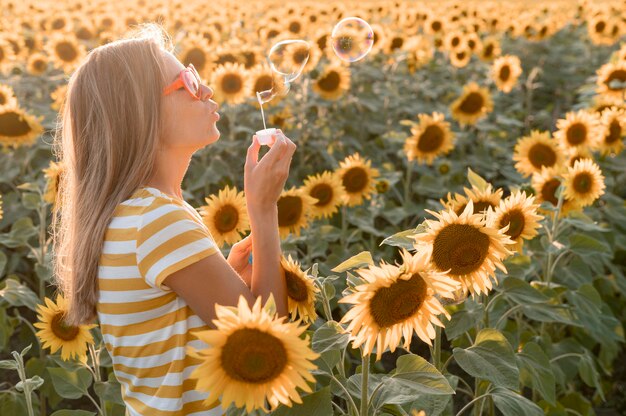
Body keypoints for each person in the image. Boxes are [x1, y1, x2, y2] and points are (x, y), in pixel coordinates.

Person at [50, 22, 296, 415]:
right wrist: (263, 210)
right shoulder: (159, 221)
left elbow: (171, 331)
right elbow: (266, 349)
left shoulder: (134, 215)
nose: (208, 89)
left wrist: (224, 275)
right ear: (142, 112)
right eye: (188, 81)